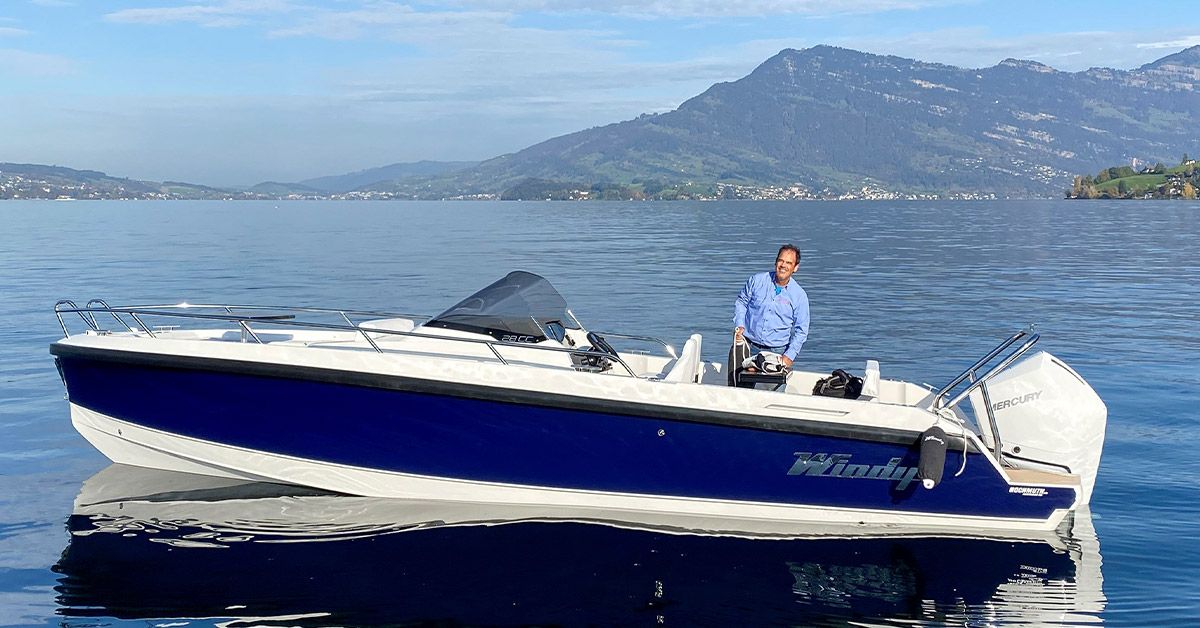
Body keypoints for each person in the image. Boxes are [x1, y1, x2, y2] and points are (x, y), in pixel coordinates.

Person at [733, 244, 810, 371]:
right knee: (742, 387)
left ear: (795, 268)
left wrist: (789, 356)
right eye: (781, 260)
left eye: (789, 263)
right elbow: (742, 301)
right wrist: (740, 325)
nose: (783, 265)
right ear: (775, 262)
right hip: (748, 344)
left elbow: (802, 330)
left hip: (777, 352)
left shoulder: (799, 296)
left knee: (773, 390)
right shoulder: (756, 281)